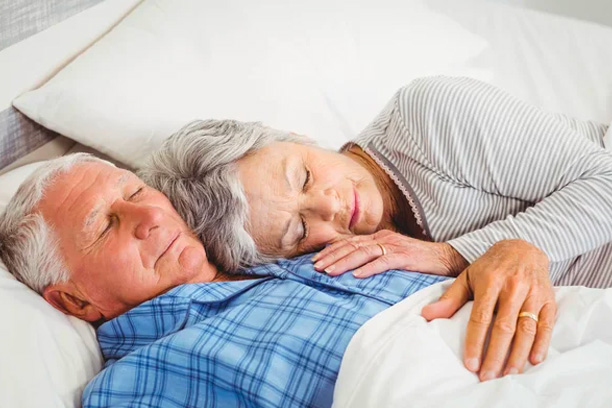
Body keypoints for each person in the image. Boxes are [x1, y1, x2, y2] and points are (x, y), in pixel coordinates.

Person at [140, 76, 612, 382]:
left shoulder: (428, 116)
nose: (330, 204)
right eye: (299, 229)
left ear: (297, 138)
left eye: (303, 175)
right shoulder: (346, 268)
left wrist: (455, 254)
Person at [0, 153, 448, 407]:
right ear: (76, 303)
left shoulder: (285, 248)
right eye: (104, 225)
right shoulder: (137, 387)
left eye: (136, 191)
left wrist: (491, 256)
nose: (150, 216)